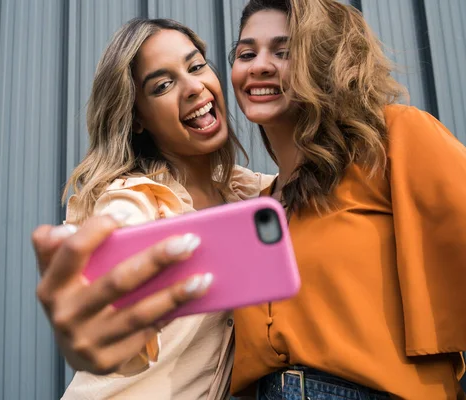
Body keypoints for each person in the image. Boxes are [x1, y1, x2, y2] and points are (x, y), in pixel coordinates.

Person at [228, 0, 466, 399]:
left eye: (284, 52)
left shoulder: (393, 140)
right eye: (246, 53)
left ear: (323, 59)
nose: (259, 66)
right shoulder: (260, 206)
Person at [33, 17, 272, 399]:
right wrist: (88, 313)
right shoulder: (135, 199)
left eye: (196, 66)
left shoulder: (248, 194)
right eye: (163, 85)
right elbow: (114, 240)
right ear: (138, 118)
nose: (194, 87)